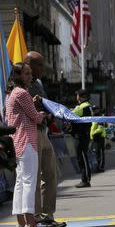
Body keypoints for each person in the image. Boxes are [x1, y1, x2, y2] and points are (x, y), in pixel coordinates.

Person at [24, 51, 66, 227]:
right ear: (29, 65)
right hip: (30, 133)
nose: (42, 67)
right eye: (39, 64)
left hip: (43, 131)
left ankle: (48, 215)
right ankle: (37, 216)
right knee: (33, 177)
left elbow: (47, 105)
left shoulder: (39, 83)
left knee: (50, 174)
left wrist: (50, 115)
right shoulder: (20, 85)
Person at [6, 63, 45, 227]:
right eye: (26, 74)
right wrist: (42, 112)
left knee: (21, 182)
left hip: (17, 142)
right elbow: (35, 117)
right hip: (27, 142)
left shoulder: (12, 94)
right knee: (29, 181)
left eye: (30, 73)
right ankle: (30, 220)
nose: (30, 77)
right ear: (18, 76)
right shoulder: (22, 93)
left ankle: (21, 221)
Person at [71, 90, 93, 188]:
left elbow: (69, 114)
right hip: (84, 135)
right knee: (82, 157)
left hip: (81, 136)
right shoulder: (87, 106)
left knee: (82, 157)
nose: (76, 97)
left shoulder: (82, 107)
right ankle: (85, 179)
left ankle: (85, 180)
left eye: (77, 95)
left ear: (80, 97)